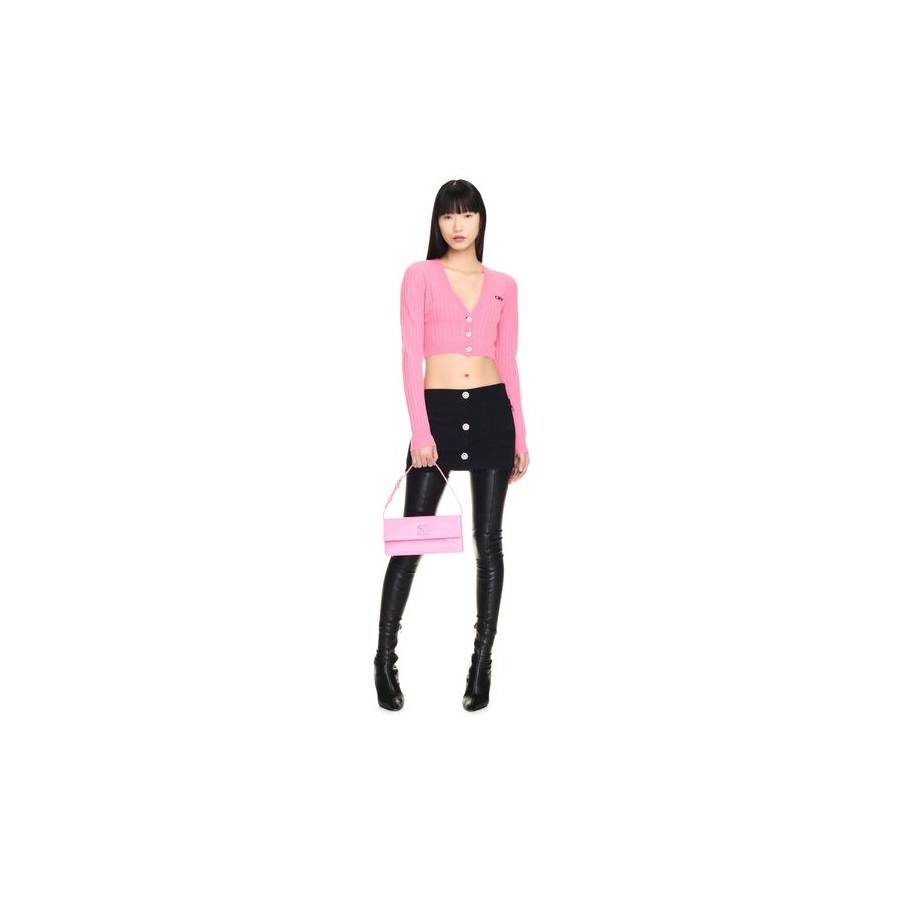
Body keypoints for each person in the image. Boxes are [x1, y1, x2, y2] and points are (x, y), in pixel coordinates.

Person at [375, 179, 530, 712]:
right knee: (411, 541)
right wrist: (420, 430)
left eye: (467, 215)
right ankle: (384, 659)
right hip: (437, 413)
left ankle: (481, 665)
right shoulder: (419, 275)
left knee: (490, 542)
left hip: (491, 412)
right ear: (437, 222)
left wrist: (520, 434)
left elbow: (507, 361)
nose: (458, 225)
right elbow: (409, 354)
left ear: (482, 220)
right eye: (448, 215)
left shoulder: (505, 284)